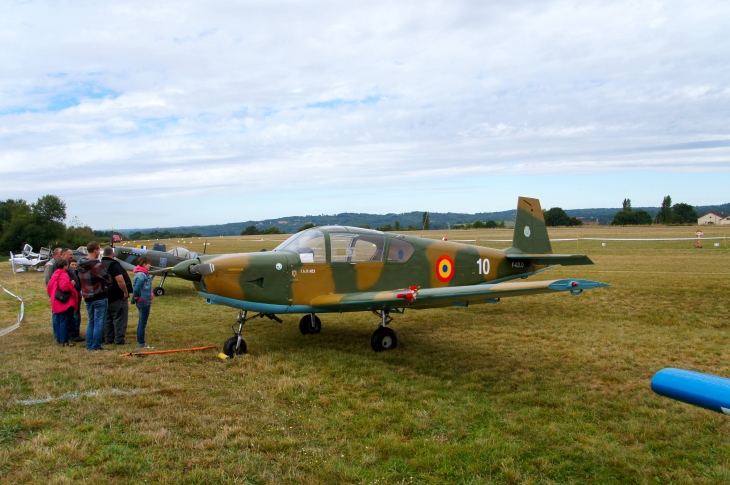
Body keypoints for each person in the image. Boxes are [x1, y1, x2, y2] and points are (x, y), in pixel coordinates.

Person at [78, 241, 112, 351]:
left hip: (87, 296)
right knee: (99, 322)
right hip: (99, 296)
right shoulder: (97, 265)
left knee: (91, 321)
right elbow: (108, 278)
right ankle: (96, 345)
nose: (99, 252)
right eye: (99, 250)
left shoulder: (80, 263)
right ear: (95, 250)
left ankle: (89, 344)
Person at [101, 247, 131, 345]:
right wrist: (125, 292)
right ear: (112, 254)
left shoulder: (100, 265)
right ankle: (119, 339)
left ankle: (108, 338)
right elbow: (120, 280)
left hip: (104, 295)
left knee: (107, 318)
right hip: (116, 295)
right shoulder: (114, 265)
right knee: (119, 318)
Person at [46, 258, 79, 346]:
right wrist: (71, 284)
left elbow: (49, 287)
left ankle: (60, 339)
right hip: (64, 302)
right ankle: (64, 341)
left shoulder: (54, 274)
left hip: (55, 301)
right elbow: (64, 286)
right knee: (65, 321)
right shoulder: (63, 274)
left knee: (59, 321)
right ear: (64, 266)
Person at [132, 257, 154, 349]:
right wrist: (135, 296)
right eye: (149, 263)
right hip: (143, 301)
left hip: (144, 301)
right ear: (144, 264)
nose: (150, 265)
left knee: (142, 322)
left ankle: (141, 342)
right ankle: (141, 343)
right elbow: (137, 287)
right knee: (142, 323)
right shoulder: (142, 275)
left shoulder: (142, 274)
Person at [67, 258, 84, 342]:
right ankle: (71, 332)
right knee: (72, 313)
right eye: (72, 264)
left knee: (77, 313)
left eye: (75, 264)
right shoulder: (68, 273)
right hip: (70, 294)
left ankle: (76, 331)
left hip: (77, 293)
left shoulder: (78, 272)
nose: (74, 266)